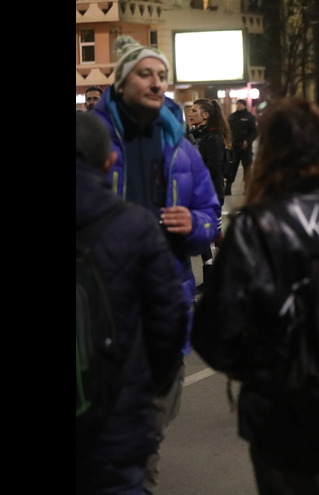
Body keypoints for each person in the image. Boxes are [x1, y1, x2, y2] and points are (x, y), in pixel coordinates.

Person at [193, 97, 319, 495]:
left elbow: (214, 327)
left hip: (278, 398)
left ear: (268, 152)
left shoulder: (255, 224)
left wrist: (251, 369)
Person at [90, 35, 221, 493]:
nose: (156, 82)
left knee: (150, 432)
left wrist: (195, 225)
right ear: (122, 80)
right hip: (100, 310)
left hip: (164, 307)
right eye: (145, 74)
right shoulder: (91, 143)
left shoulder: (180, 148)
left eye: (161, 76)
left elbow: (211, 215)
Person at [75, 113, 188, 495]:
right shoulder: (135, 226)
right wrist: (145, 388)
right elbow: (169, 320)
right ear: (109, 161)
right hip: (117, 414)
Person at [187, 98, 232, 292]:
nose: (190, 114)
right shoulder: (198, 136)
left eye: (195, 111)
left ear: (206, 115)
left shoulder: (212, 139)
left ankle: (219, 276)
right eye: (190, 110)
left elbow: (214, 168)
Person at [225, 99, 258, 196]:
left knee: (247, 168)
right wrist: (228, 140)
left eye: (241, 104)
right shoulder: (232, 117)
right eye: (237, 104)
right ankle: (228, 188)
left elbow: (254, 132)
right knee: (232, 168)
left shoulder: (250, 117)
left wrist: (248, 141)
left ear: (244, 105)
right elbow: (227, 130)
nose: (239, 106)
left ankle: (248, 187)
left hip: (245, 148)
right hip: (234, 147)